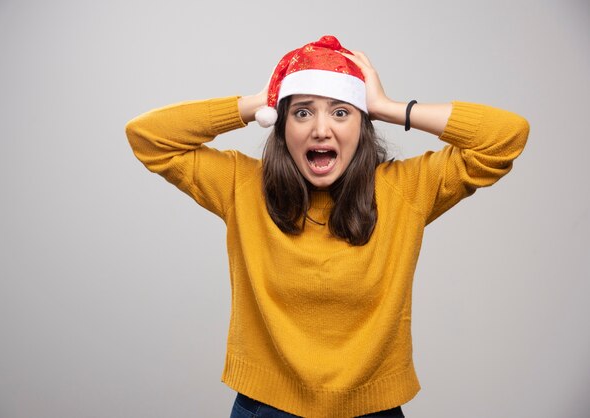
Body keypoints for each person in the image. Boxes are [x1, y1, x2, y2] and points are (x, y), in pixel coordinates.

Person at [125, 35, 529, 418]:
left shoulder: (404, 191)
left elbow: (505, 137)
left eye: (341, 112)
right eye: (302, 112)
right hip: (267, 408)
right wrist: (254, 104)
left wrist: (390, 107)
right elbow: (147, 136)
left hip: (374, 411)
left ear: (363, 125)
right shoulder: (242, 187)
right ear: (283, 126)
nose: (321, 129)